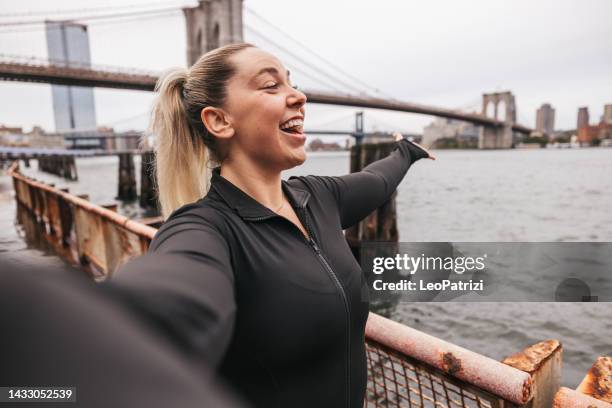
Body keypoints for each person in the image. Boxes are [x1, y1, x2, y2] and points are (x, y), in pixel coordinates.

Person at [109, 42, 435, 408]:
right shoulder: (206, 228)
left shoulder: (318, 197)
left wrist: (406, 152)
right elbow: (168, 295)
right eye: (271, 86)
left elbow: (378, 181)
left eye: (291, 83)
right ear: (219, 120)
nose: (299, 96)